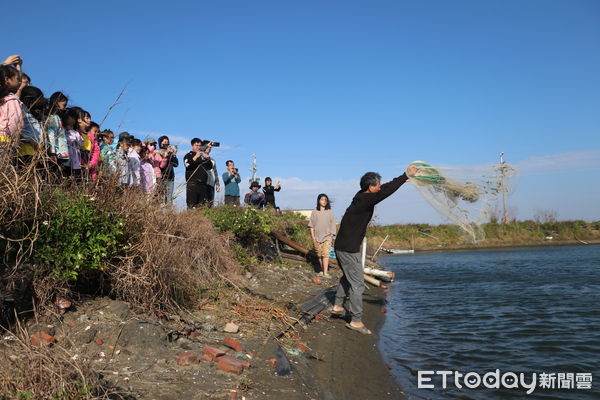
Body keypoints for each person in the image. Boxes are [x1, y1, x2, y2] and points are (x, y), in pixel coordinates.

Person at [330, 167, 416, 335]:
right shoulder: (365, 200)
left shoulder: (362, 195)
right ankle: (355, 321)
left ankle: (337, 306)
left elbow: (383, 189)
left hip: (345, 246)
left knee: (348, 277)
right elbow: (385, 193)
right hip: (347, 248)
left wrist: (401, 179)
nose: (380, 187)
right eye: (378, 185)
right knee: (357, 283)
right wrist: (405, 175)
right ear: (370, 187)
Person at [309, 194, 336, 278]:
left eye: (325, 200)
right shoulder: (314, 212)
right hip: (317, 237)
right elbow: (311, 226)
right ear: (319, 201)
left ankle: (325, 273)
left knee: (326, 254)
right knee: (319, 255)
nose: (324, 201)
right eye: (322, 199)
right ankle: (322, 270)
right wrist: (313, 237)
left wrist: (332, 235)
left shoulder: (330, 212)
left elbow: (333, 224)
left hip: (327, 236)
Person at [184, 137, 213, 208]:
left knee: (202, 207)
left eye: (200, 145)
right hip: (192, 184)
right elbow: (188, 165)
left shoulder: (202, 156)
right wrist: (196, 156)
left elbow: (210, 166)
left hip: (203, 185)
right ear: (192, 146)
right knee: (191, 206)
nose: (198, 147)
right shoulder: (188, 155)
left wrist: (208, 158)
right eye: (196, 145)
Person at [0, 65, 24, 149]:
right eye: (17, 79)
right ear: (7, 80)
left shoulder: (2, 99)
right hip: (4, 140)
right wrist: (15, 140)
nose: (20, 82)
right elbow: (15, 122)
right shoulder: (12, 99)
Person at [46, 92, 70, 172]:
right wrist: (52, 153)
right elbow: (51, 135)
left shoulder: (58, 118)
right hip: (56, 153)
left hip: (60, 153)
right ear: (56, 103)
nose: (64, 108)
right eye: (64, 105)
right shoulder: (52, 118)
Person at [157, 135, 178, 204]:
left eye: (168, 142)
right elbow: (160, 166)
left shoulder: (170, 154)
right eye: (165, 142)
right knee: (161, 197)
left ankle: (169, 213)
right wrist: (165, 155)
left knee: (169, 198)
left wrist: (174, 154)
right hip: (161, 178)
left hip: (170, 178)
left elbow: (176, 164)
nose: (167, 144)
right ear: (160, 143)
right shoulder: (158, 152)